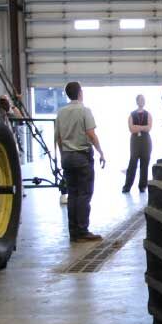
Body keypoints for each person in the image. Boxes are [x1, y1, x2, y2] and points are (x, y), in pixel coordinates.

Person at [54, 82, 106, 242]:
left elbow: (59, 138)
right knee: (84, 194)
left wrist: (63, 155)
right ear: (80, 93)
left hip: (67, 157)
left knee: (73, 194)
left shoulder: (61, 113)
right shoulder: (84, 111)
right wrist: (101, 152)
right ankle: (83, 231)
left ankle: (73, 232)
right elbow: (91, 134)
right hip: (82, 156)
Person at [122, 94, 153, 193]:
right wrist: (142, 127)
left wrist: (137, 127)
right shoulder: (132, 114)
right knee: (133, 162)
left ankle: (142, 186)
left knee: (145, 163)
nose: (142, 101)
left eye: (143, 99)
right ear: (137, 101)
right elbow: (131, 129)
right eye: (140, 99)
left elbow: (149, 128)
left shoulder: (148, 114)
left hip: (146, 140)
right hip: (135, 140)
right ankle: (127, 186)